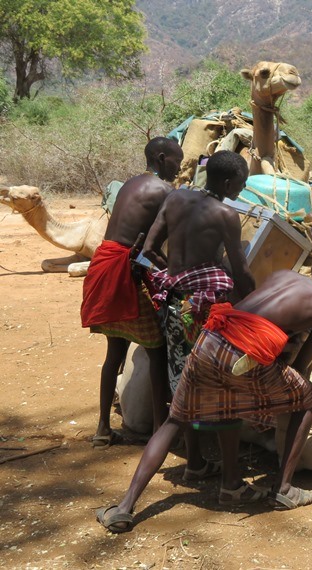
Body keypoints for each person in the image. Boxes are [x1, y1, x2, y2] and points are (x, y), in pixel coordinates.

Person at [95, 252, 312, 533]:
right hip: (240, 354)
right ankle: (285, 489)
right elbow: (300, 366)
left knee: (174, 421)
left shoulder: (282, 274)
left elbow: (257, 315)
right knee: (306, 397)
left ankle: (124, 508)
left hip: (212, 336)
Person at [81, 137, 183, 448]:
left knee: (115, 353)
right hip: (125, 270)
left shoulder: (129, 184)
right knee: (156, 348)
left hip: (105, 264)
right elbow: (162, 242)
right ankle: (157, 431)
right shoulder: (164, 191)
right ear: (162, 158)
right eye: (177, 161)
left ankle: (102, 427)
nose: (179, 168)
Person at [143, 150, 256, 394]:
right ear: (227, 184)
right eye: (242, 182)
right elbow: (240, 271)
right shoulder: (226, 215)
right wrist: (255, 308)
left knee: (180, 372)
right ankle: (200, 425)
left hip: (172, 302)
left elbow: (149, 249)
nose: (244, 187)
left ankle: (181, 425)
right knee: (206, 376)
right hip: (202, 308)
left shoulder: (175, 198)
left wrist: (177, 277)